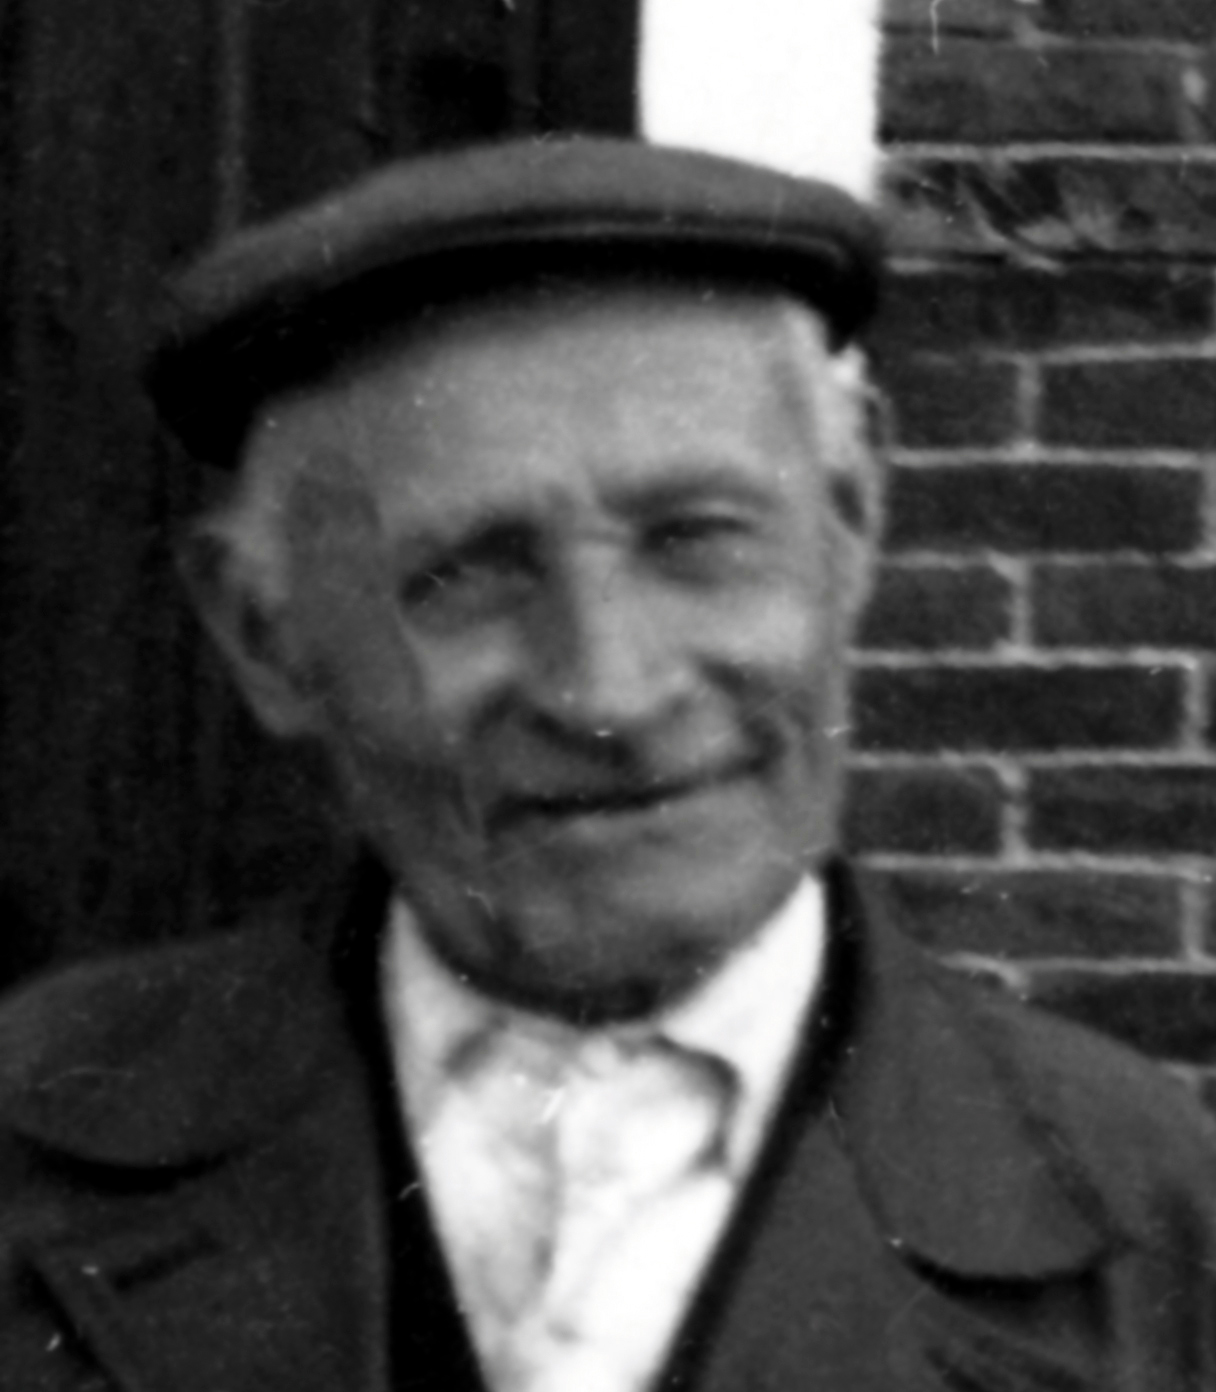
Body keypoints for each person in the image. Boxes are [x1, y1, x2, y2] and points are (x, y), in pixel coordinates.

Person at [0, 136, 1212, 1392]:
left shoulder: (1149, 1220)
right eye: (466, 574)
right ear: (265, 636)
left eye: (696, 538)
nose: (610, 692)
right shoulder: (26, 1148)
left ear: (851, 523)